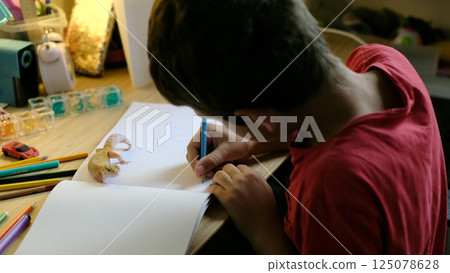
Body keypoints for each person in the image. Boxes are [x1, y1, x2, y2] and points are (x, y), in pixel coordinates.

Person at [147, 0, 447, 254]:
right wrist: (252, 141)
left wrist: (263, 227)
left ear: (255, 114)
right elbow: (331, 126)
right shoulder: (384, 62)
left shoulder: (330, 183)